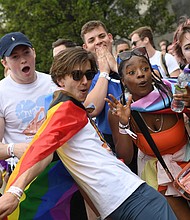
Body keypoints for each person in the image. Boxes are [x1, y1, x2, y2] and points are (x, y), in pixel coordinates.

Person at [0, 47, 177, 220]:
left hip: (130, 197)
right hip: (131, 199)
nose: (85, 81)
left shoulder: (73, 108)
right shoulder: (65, 109)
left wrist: (123, 124)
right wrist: (14, 191)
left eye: (89, 75)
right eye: (77, 75)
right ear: (61, 80)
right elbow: (42, 149)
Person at [0, 32, 80, 220]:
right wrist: (14, 149)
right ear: (5, 63)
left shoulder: (54, 84)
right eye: (15, 57)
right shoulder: (1, 92)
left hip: (62, 171)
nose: (22, 60)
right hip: (23, 176)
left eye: (26, 53)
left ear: (34, 53)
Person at [105, 47, 190, 219]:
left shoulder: (172, 95)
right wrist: (124, 123)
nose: (141, 74)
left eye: (145, 69)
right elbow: (125, 157)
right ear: (123, 80)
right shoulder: (120, 111)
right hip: (161, 180)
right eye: (132, 72)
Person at [81, 20, 122, 153]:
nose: (98, 42)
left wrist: (115, 66)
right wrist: (104, 72)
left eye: (101, 36)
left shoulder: (130, 61)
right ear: (85, 47)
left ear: (110, 38)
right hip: (113, 142)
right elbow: (91, 109)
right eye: (92, 40)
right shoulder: (87, 78)